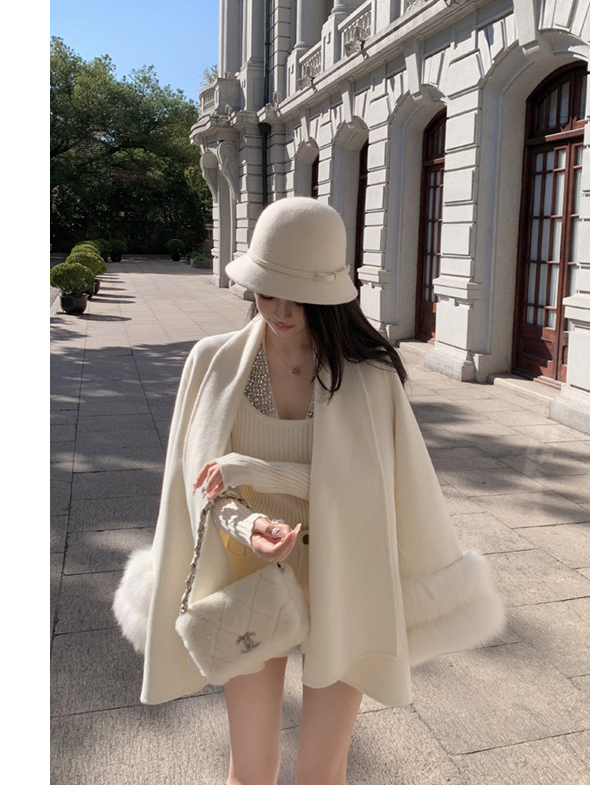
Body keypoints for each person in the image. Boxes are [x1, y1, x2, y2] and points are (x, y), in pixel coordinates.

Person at [122, 197, 504, 785]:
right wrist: (250, 525)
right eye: (267, 290)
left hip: (343, 582)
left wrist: (260, 472)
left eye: (296, 294)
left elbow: (370, 495)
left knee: (322, 774)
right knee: (250, 770)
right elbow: (203, 486)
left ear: (329, 295)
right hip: (245, 575)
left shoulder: (369, 375)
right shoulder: (213, 363)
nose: (279, 308)